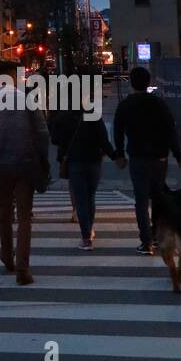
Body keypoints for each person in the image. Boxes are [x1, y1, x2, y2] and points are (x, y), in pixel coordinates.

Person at [0, 60, 50, 286]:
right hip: (25, 165)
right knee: (25, 217)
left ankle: (7, 256)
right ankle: (23, 267)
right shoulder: (28, 100)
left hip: (0, 166)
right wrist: (43, 158)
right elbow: (42, 133)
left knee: (4, 214)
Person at [113, 66, 181, 254]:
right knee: (159, 198)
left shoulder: (125, 105)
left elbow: (118, 131)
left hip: (138, 158)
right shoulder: (159, 104)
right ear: (149, 83)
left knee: (141, 201)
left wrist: (119, 154)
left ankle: (146, 242)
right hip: (160, 158)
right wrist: (178, 156)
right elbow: (171, 130)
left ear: (131, 82)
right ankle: (158, 235)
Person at [52, 95, 117, 250]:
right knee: (90, 197)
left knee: (80, 199)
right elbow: (104, 140)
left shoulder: (64, 117)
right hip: (94, 160)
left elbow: (55, 139)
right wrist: (115, 156)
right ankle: (89, 228)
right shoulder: (93, 115)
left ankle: (86, 237)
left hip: (74, 161)